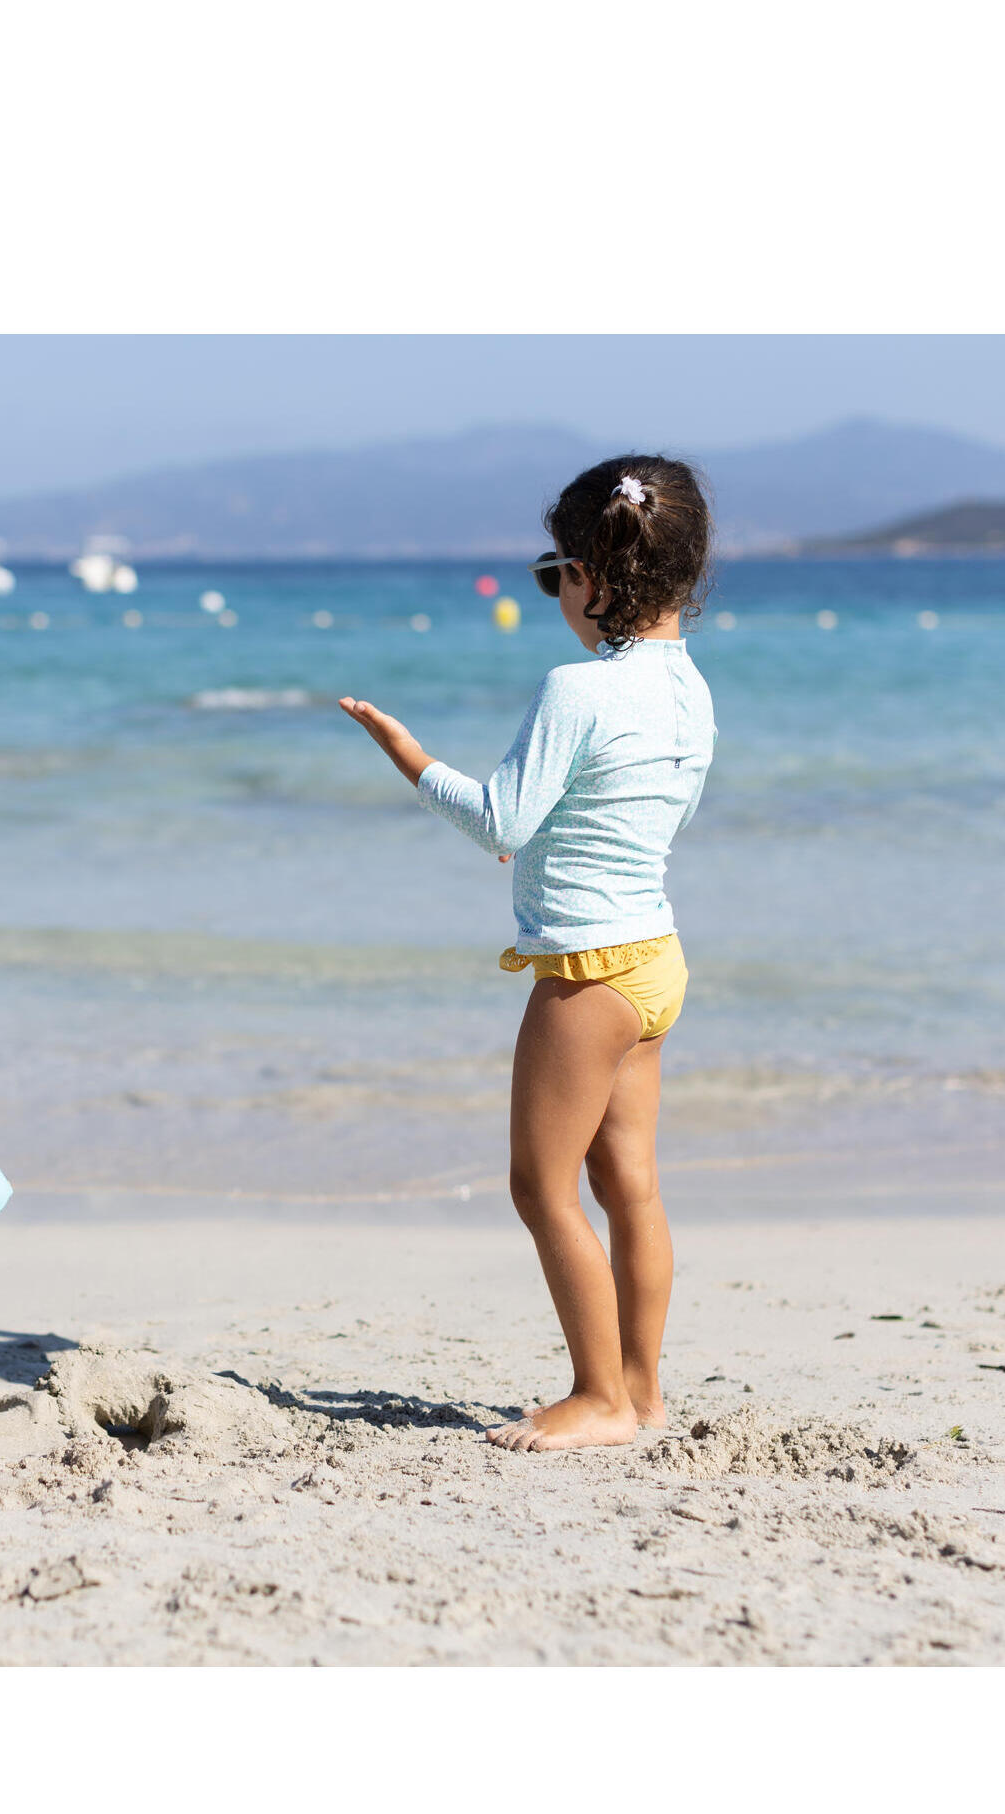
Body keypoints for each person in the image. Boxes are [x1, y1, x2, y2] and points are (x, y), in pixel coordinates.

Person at [340, 457, 717, 1451]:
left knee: (539, 1186)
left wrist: (407, 757)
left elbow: (502, 821)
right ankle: (641, 1389)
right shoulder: (689, 691)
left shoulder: (576, 689)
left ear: (597, 575)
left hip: (588, 973)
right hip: (654, 957)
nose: (554, 593)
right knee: (628, 1179)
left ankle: (596, 1396)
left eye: (556, 572)